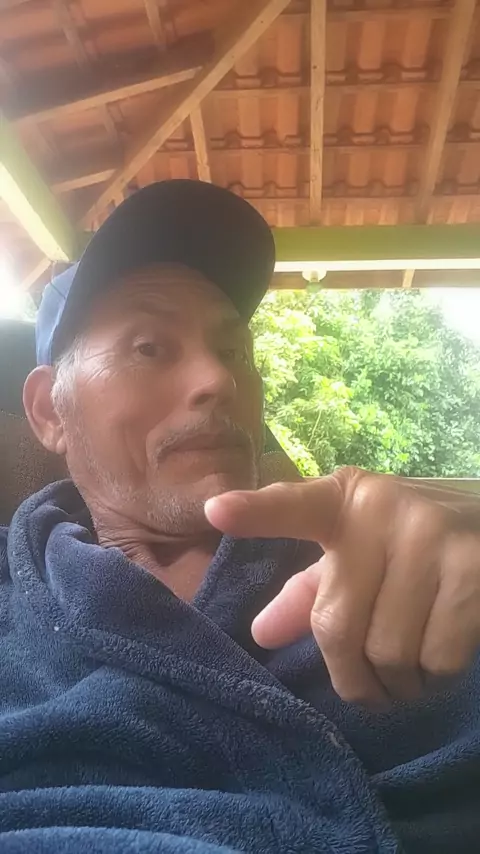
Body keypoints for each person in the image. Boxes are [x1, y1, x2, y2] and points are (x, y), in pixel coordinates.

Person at [1, 180, 479, 854]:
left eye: (235, 352)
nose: (218, 380)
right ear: (50, 410)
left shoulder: (380, 563)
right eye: (149, 347)